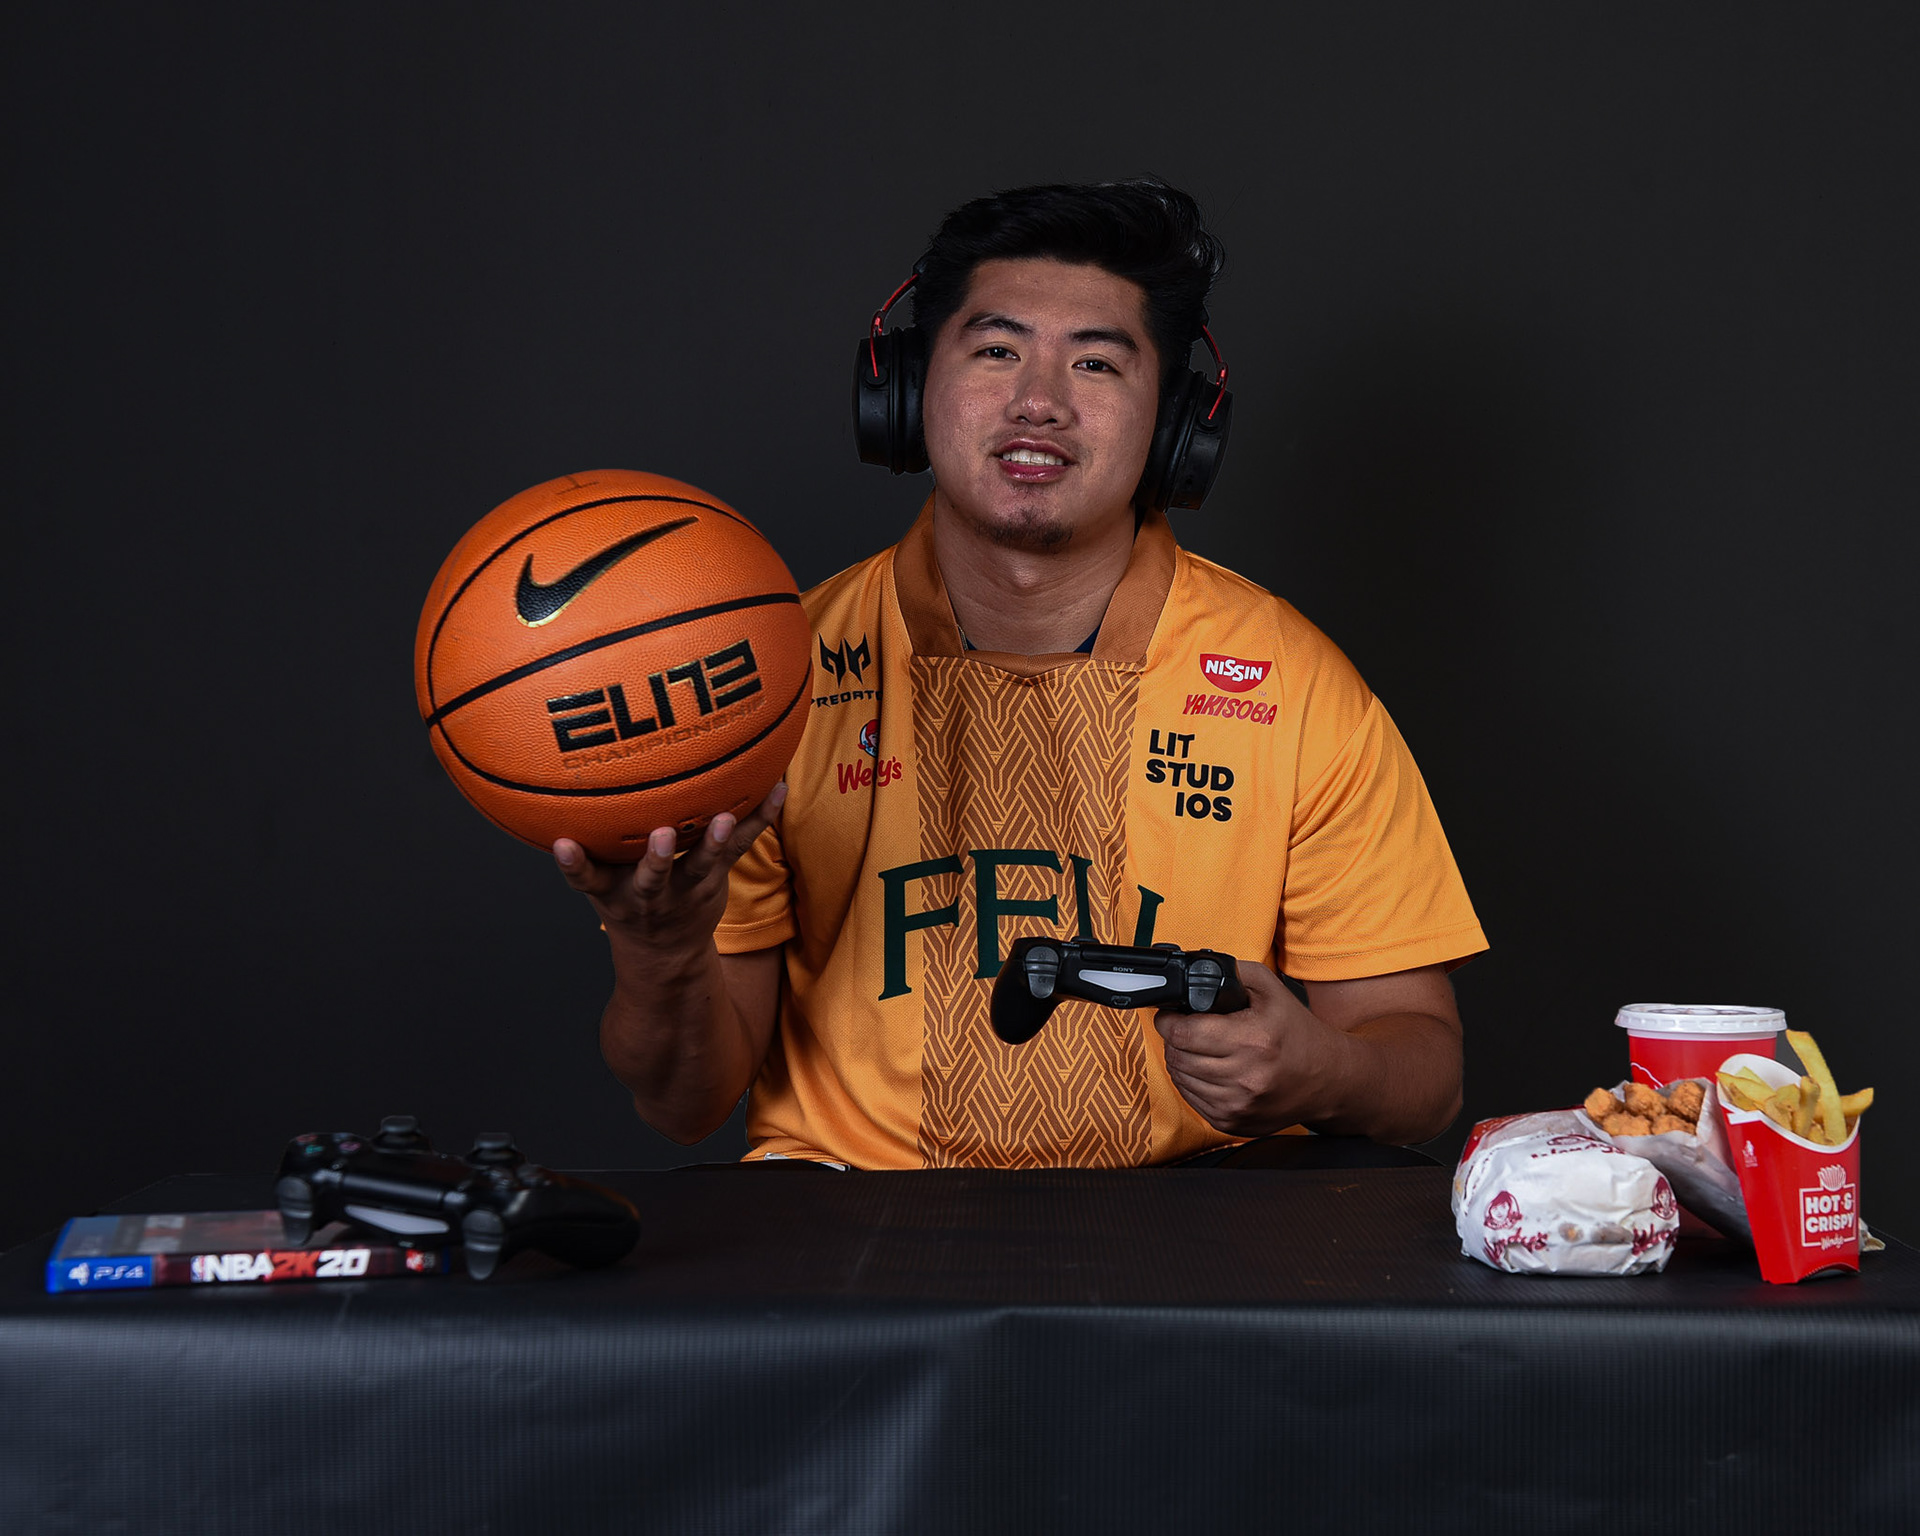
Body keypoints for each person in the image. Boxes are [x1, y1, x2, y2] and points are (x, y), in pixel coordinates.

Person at [554, 180, 1487, 1168]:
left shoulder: (1292, 684)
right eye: (997, 351)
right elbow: (684, 1106)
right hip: (848, 1219)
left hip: (1203, 1226)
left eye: (1096, 363)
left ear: (1176, 423)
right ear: (906, 388)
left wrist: (1324, 1072)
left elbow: (1424, 1069)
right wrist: (659, 956)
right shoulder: (767, 685)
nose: (1039, 402)